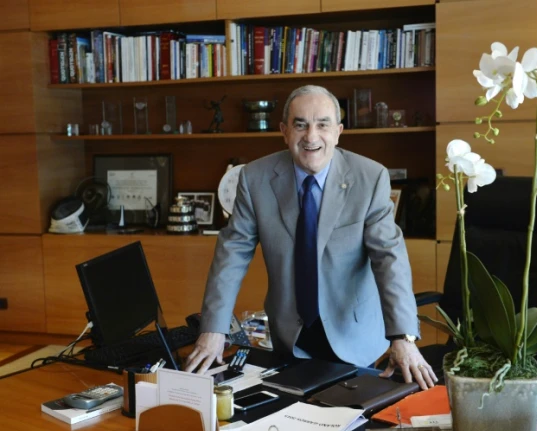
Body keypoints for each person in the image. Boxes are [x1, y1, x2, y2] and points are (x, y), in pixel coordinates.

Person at [184, 85, 437, 390]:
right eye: (300, 124)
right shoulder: (255, 178)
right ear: (284, 131)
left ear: (339, 131)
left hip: (354, 335)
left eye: (323, 124)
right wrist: (214, 328)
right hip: (289, 336)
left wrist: (403, 336)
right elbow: (232, 254)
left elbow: (389, 259)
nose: (311, 136)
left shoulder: (370, 178)